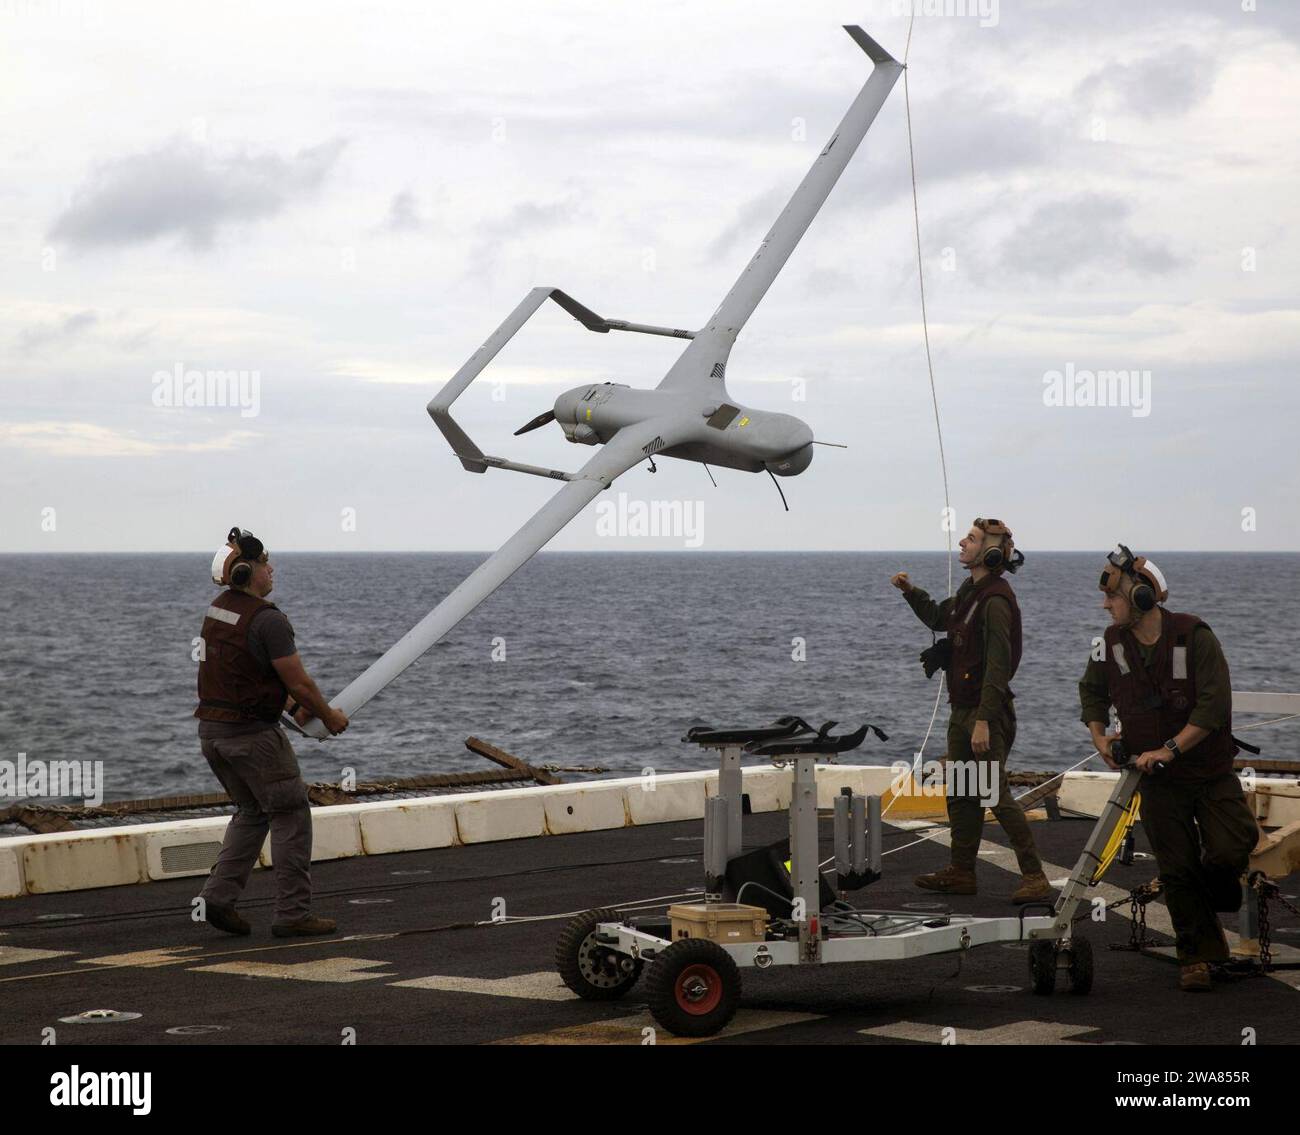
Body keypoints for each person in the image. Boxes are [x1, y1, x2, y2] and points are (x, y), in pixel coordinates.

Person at [1079, 544, 1259, 991]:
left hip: (1208, 772)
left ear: (1141, 597)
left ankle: (1218, 893)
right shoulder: (1110, 643)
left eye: (1113, 597)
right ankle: (1196, 957)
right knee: (1176, 867)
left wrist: (1171, 749)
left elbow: (1214, 706)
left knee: (1232, 846)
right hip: (1158, 782)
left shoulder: (1194, 636)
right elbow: (1092, 693)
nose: (1105, 604)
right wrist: (1100, 736)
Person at [194, 527, 348, 937]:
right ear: (247, 570)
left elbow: (244, 674)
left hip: (213, 735)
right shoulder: (269, 620)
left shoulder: (217, 610)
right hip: (252, 738)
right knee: (290, 814)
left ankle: (216, 898)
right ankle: (293, 914)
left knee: (252, 811)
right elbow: (298, 682)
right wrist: (328, 715)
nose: (271, 568)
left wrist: (295, 708)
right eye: (265, 563)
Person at [892, 518, 1051, 903]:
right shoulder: (971, 591)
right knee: (962, 793)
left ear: (990, 553)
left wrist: (983, 720)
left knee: (993, 793)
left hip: (984, 714)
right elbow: (939, 617)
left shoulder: (996, 600)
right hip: (962, 710)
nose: (962, 542)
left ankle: (1035, 876)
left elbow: (1000, 666)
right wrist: (910, 591)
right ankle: (962, 872)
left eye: (972, 539)